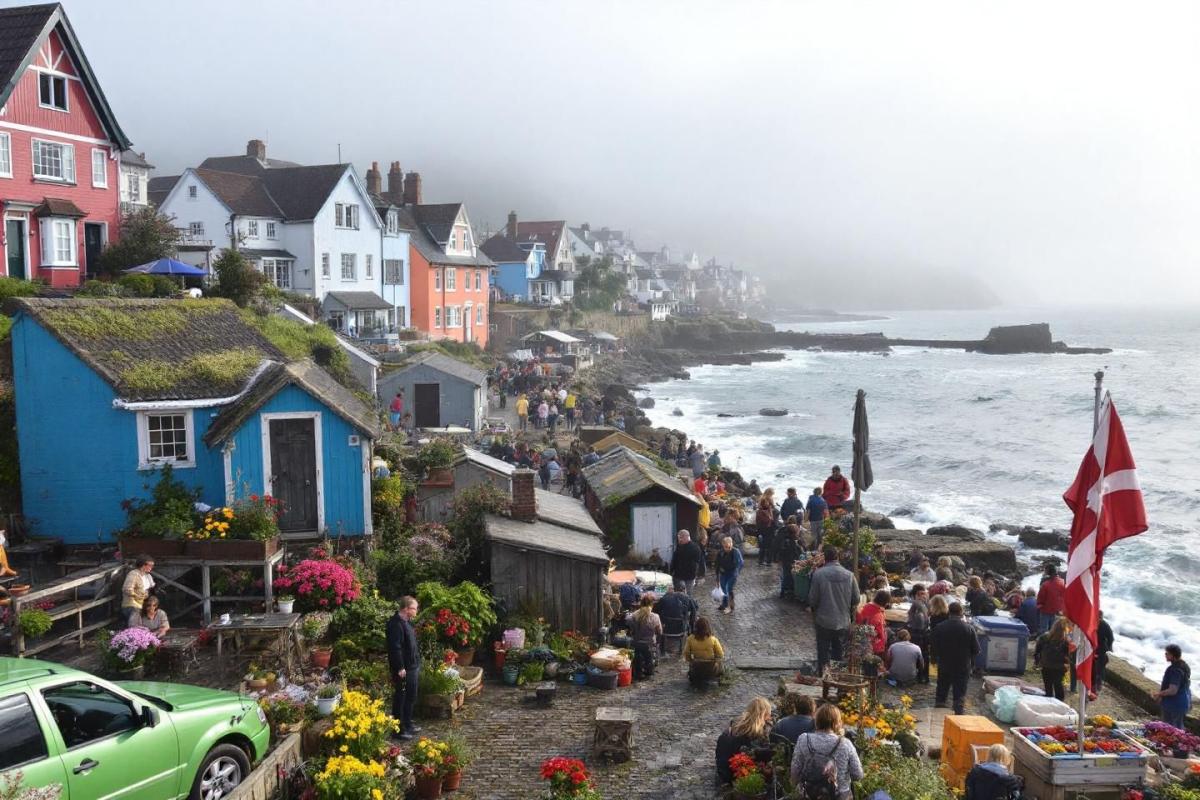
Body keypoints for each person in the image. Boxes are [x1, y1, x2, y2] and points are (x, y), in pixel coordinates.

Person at [790, 704, 863, 800]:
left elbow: (795, 772)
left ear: (816, 720)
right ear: (837, 723)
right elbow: (858, 775)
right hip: (839, 796)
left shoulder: (804, 739)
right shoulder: (845, 744)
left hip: (808, 794)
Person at [809, 546, 857, 674]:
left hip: (823, 620)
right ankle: (837, 676)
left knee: (823, 649)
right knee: (839, 650)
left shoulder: (818, 574)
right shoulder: (850, 575)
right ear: (838, 557)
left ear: (825, 558)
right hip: (842, 620)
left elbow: (812, 599)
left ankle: (823, 675)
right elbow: (856, 599)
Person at [930, 601, 979, 715]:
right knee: (960, 688)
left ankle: (940, 705)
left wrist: (933, 660)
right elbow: (976, 649)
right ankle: (958, 709)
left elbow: (933, 646)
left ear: (948, 612)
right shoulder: (969, 628)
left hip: (944, 663)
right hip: (962, 664)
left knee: (942, 685)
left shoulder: (939, 627)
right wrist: (971, 664)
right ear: (961, 612)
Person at [386, 596, 422, 740]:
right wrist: (400, 667)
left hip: (412, 666)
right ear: (406, 609)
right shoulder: (395, 624)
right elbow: (395, 648)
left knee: (411, 696)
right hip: (403, 668)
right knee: (401, 697)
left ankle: (408, 724)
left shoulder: (407, 622)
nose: (416, 611)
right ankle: (398, 730)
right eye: (414, 608)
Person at [716, 697, 773, 784]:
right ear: (764, 714)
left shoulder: (736, 725)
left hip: (725, 770)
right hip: (741, 774)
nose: (770, 716)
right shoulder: (758, 732)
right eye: (768, 714)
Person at [1153, 644, 1192, 728]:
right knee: (1177, 729)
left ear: (1172, 655)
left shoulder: (1175, 670)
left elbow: (1172, 690)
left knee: (1170, 730)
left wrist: (1159, 694)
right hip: (1183, 702)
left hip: (1174, 705)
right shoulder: (1185, 666)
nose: (1165, 655)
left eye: (1167, 653)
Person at [1034, 617, 1071, 701]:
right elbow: (1069, 656)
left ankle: (1048, 702)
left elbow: (1037, 651)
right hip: (1059, 667)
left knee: (1048, 688)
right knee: (1059, 688)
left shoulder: (1044, 637)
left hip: (1046, 665)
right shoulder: (1066, 641)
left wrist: (1037, 662)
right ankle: (1059, 704)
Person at [629, 595, 662, 680]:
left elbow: (631, 629)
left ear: (641, 604)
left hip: (636, 642)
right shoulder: (655, 616)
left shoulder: (634, 615)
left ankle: (638, 671)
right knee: (649, 652)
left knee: (638, 652)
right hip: (649, 643)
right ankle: (649, 671)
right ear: (652, 604)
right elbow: (660, 632)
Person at [684, 616, 725, 685]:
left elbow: (686, 653)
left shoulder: (690, 639)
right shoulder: (713, 639)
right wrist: (715, 660)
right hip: (711, 669)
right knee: (721, 664)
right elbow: (721, 654)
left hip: (696, 668)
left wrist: (691, 661)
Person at [121, 556, 156, 627]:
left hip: (141, 605)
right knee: (134, 627)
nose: (151, 567)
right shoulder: (133, 574)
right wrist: (137, 596)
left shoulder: (147, 576)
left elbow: (148, 589)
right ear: (143, 565)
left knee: (141, 626)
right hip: (132, 605)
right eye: (150, 565)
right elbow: (127, 589)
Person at [908, 584, 932, 683]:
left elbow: (911, 617)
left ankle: (921, 675)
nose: (924, 596)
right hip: (922, 633)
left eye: (924, 594)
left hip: (918, 634)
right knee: (923, 656)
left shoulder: (919, 604)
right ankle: (923, 676)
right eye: (921, 594)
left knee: (921, 655)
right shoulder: (923, 604)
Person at [670, 529, 704, 596]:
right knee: (678, 594)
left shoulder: (695, 548)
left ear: (687, 537)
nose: (679, 539)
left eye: (681, 537)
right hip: (678, 575)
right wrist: (671, 570)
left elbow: (700, 561)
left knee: (688, 594)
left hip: (689, 576)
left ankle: (688, 605)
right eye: (679, 538)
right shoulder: (679, 547)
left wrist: (700, 575)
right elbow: (674, 559)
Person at [856, 590, 890, 657]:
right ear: (885, 602)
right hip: (872, 647)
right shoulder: (878, 615)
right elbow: (881, 635)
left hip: (859, 642)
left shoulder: (865, 607)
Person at [1090, 611, 1115, 700]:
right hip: (1092, 647)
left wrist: (1108, 647)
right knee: (1093, 668)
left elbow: (1111, 638)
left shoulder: (1105, 625)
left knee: (1100, 668)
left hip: (1101, 648)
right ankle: (1093, 684)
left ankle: (1098, 684)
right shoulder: (1091, 622)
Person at [716, 536, 744, 614]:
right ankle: (724, 604)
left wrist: (736, 572)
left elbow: (740, 563)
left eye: (729, 546)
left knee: (728, 589)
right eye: (725, 547)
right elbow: (717, 564)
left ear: (731, 544)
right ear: (723, 545)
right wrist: (717, 577)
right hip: (723, 573)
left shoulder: (735, 552)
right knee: (723, 589)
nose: (727, 548)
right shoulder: (720, 552)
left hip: (732, 574)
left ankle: (730, 606)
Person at [1037, 563, 1066, 634]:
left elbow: (1040, 599)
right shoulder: (1062, 582)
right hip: (1058, 611)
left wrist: (1039, 606)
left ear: (1048, 572)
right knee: (1055, 631)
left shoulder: (1045, 584)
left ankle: (1043, 643)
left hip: (1046, 610)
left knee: (1044, 631)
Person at [776, 524, 803, 599]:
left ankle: (784, 591)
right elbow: (795, 552)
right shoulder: (791, 542)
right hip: (790, 562)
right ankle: (786, 591)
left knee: (785, 576)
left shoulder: (785, 540)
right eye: (797, 532)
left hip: (786, 562)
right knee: (788, 576)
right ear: (794, 532)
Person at [756, 490, 777, 566]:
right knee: (764, 547)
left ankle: (768, 561)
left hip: (768, 530)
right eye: (767, 503)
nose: (769, 504)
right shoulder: (760, 512)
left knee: (768, 546)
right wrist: (770, 518)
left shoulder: (768, 510)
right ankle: (761, 561)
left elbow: (771, 519)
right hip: (764, 530)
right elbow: (767, 520)